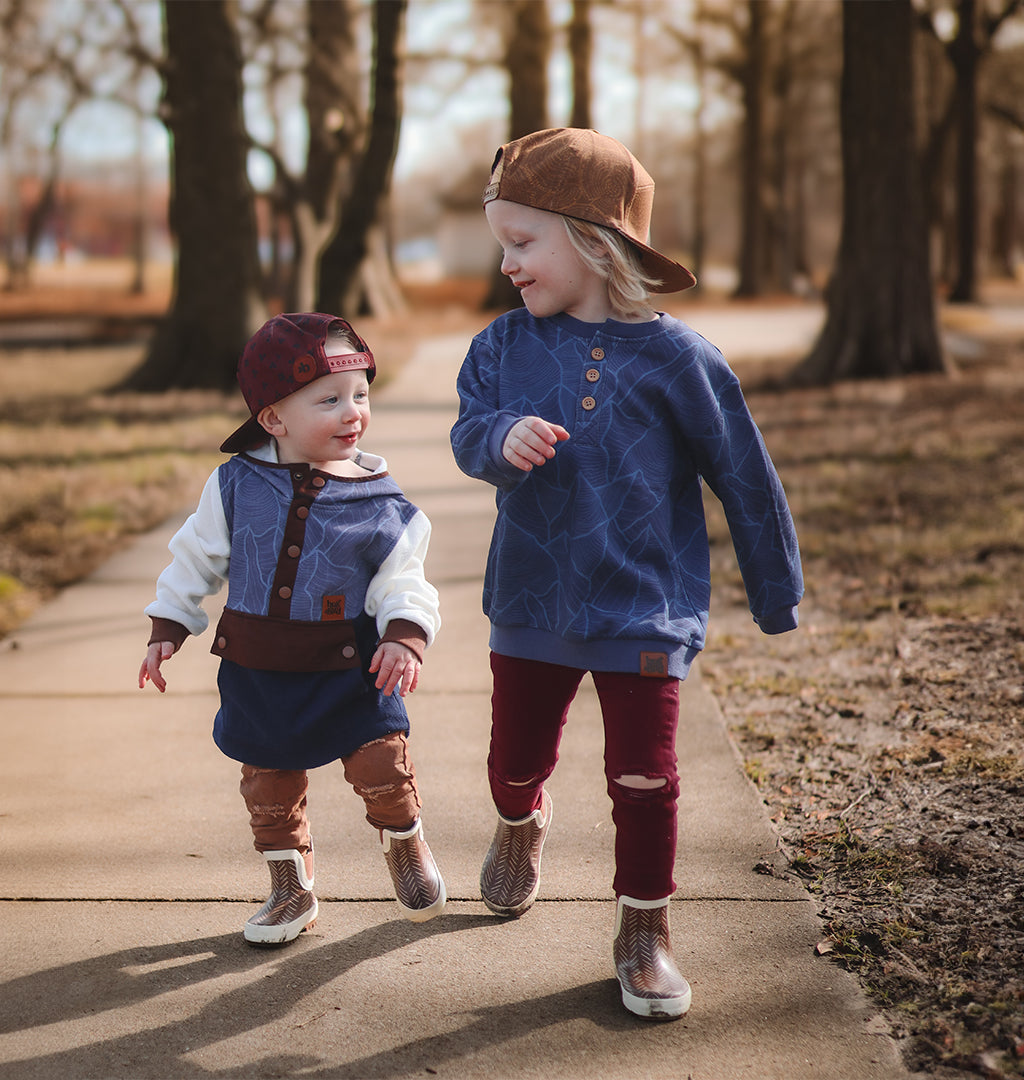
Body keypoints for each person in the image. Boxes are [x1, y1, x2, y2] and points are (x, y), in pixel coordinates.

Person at [450, 128, 803, 1019]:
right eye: (501, 244)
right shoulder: (500, 347)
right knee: (512, 761)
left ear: (593, 239)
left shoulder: (681, 360)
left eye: (523, 243)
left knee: (645, 777)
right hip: (531, 597)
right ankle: (521, 820)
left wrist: (775, 590)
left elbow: (745, 477)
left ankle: (644, 931)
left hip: (646, 606)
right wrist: (499, 439)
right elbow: (466, 432)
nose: (508, 266)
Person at [139, 312, 445, 944]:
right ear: (273, 419)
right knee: (268, 785)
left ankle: (404, 838)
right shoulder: (233, 486)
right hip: (259, 667)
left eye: (361, 395)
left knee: (381, 765)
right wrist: (170, 622)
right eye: (329, 400)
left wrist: (403, 634)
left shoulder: (383, 504)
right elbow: (196, 555)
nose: (352, 411)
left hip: (354, 669)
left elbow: (404, 581)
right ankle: (290, 887)